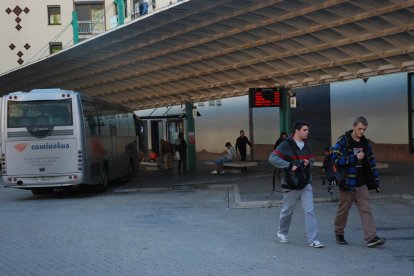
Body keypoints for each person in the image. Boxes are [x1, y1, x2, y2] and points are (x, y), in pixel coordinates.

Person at [331, 116, 386, 248]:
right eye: (360, 128)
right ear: (354, 126)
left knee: (366, 210)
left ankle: (371, 238)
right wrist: (354, 158)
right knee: (343, 210)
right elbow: (335, 159)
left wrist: (376, 183)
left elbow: (371, 164)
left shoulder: (365, 143)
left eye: (364, 129)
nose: (361, 132)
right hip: (347, 183)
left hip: (361, 183)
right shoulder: (343, 140)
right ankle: (339, 233)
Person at [269, 121, 324, 248]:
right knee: (288, 210)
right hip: (291, 183)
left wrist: (307, 163)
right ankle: (282, 232)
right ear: (297, 131)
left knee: (310, 210)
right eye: (305, 130)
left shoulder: (307, 145)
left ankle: (313, 239)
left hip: (305, 182)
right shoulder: (286, 145)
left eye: (307, 130)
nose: (307, 132)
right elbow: (272, 158)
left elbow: (312, 159)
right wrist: (289, 165)